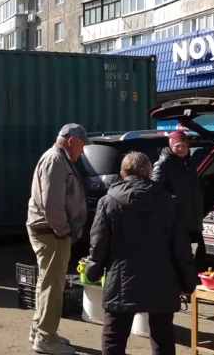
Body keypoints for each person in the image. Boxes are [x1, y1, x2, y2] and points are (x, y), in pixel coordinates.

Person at [85, 152, 198, 355]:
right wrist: (188, 280)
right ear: (148, 172)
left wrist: (93, 270)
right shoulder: (167, 202)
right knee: (162, 336)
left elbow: (98, 242)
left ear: (122, 173)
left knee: (114, 335)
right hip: (162, 279)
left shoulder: (108, 201)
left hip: (121, 279)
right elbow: (181, 246)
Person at [27, 123, 91, 355]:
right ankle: (45, 338)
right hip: (51, 233)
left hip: (50, 232)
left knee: (47, 283)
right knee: (53, 287)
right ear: (72, 140)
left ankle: (41, 331)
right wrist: (64, 232)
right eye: (82, 146)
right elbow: (52, 205)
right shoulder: (55, 160)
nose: (82, 152)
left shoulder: (58, 159)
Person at [152, 130, 205, 271]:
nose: (181, 149)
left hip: (192, 220)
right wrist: (172, 202)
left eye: (184, 146)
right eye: (178, 146)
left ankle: (192, 286)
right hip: (176, 219)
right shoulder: (163, 164)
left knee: (196, 257)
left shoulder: (189, 165)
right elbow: (156, 191)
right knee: (179, 258)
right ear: (170, 146)